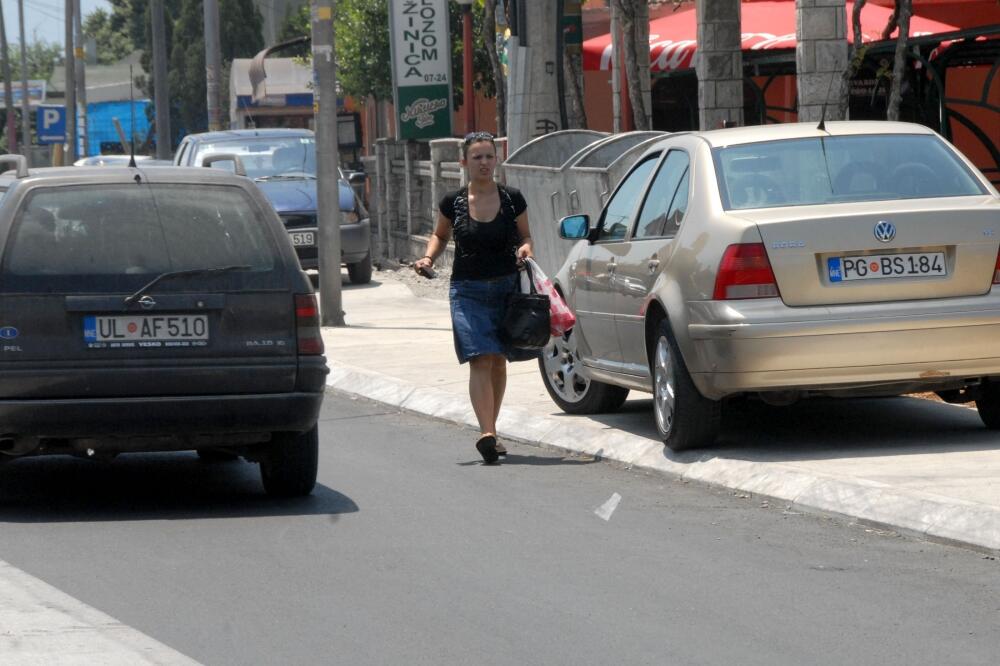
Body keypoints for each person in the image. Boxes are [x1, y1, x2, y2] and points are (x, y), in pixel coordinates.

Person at [413, 132, 534, 465]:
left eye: (489, 156)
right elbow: (440, 235)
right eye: (477, 157)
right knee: (480, 357)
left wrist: (526, 248)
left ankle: (491, 431)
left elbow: (525, 235)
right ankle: (487, 433)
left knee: (497, 359)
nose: (484, 163)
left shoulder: (512, 199)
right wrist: (428, 258)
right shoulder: (452, 201)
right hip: (467, 290)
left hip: (507, 288)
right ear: (464, 162)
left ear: (497, 159)